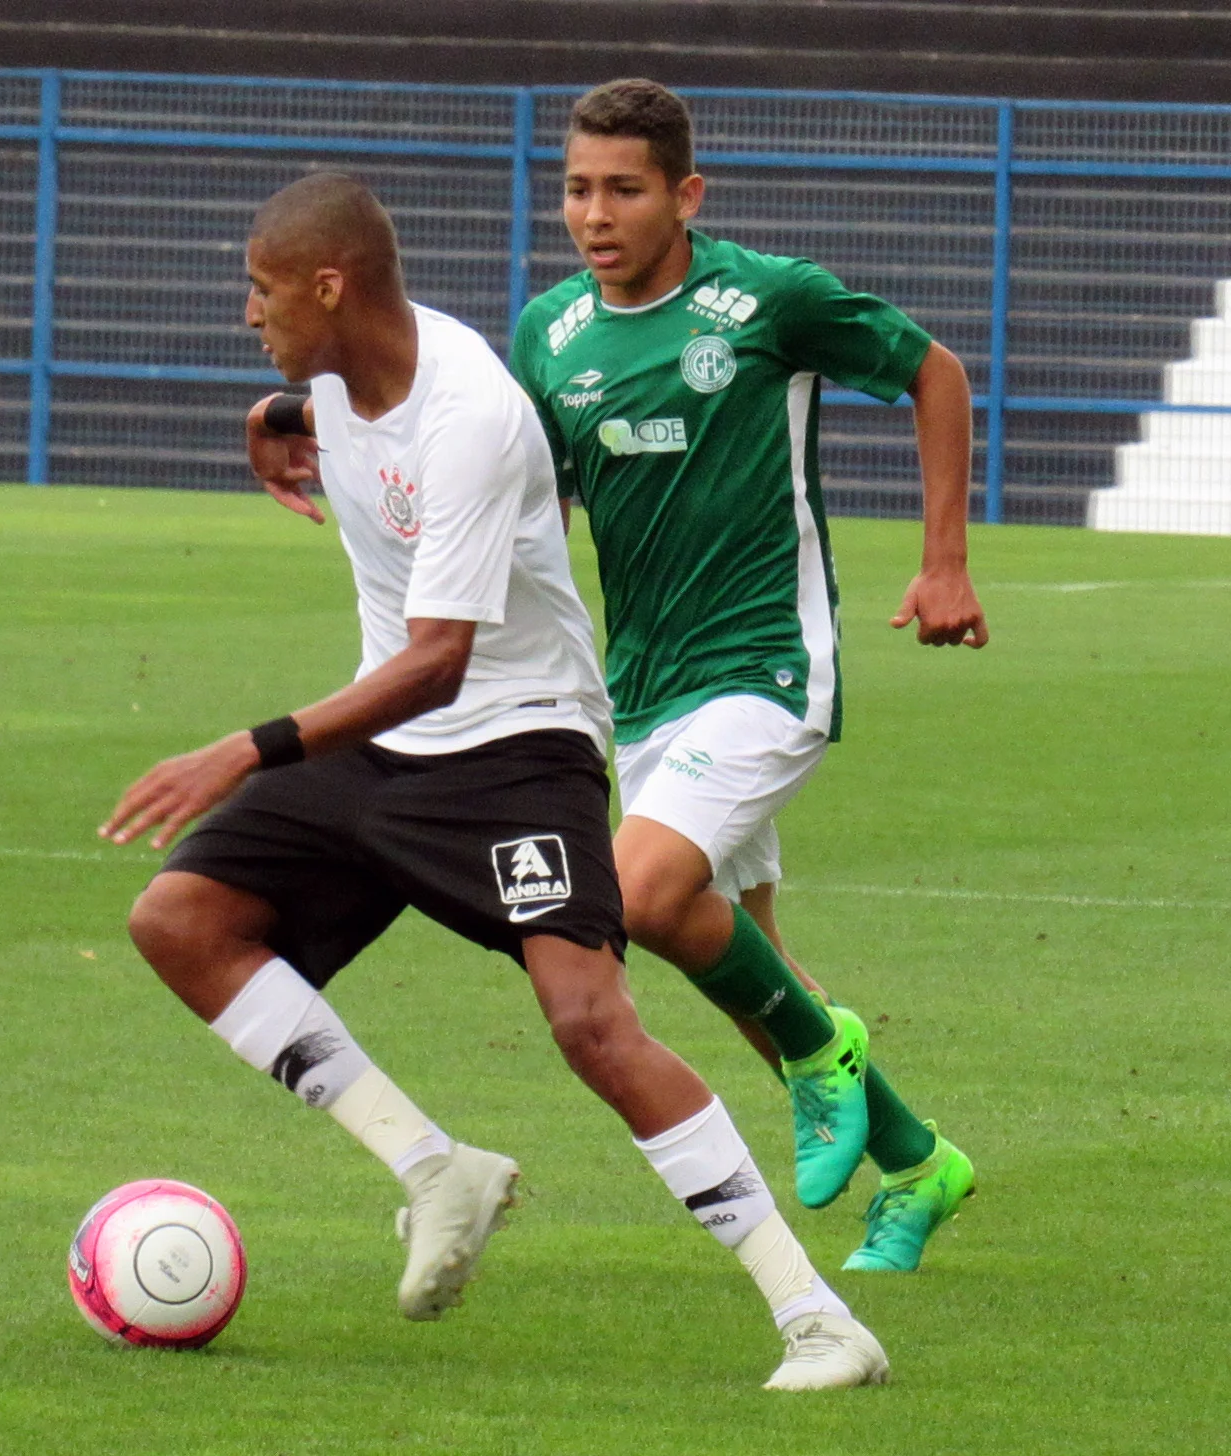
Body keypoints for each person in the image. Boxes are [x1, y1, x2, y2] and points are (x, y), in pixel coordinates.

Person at [101, 172, 889, 1389]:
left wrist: (243, 748)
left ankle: (818, 1316)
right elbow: (331, 417)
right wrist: (273, 413)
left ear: (330, 285)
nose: (247, 313)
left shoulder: (468, 409)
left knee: (590, 1021)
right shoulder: (333, 369)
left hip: (519, 748)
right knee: (182, 920)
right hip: (383, 747)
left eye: (262, 292)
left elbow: (439, 662)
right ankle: (434, 1167)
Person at [508, 80, 989, 1273]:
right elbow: (510, 487)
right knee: (750, 969)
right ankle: (922, 1165)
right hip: (645, 690)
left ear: (686, 194)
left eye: (624, 189)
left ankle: (827, 1058)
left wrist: (943, 565)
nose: (594, 214)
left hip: (769, 663)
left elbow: (934, 371)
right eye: (577, 187)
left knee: (646, 896)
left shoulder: (767, 300)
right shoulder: (550, 334)